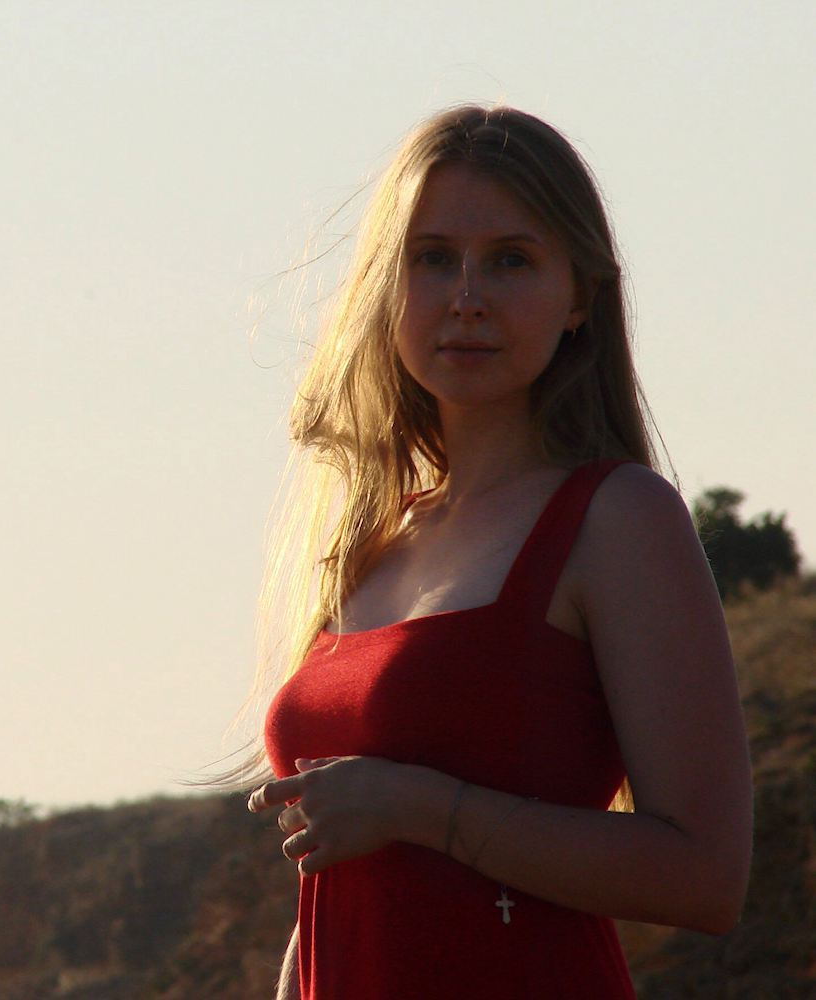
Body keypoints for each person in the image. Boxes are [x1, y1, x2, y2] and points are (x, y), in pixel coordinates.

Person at [244, 105, 753, 1000]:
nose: (466, 296)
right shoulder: (372, 540)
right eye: (432, 258)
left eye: (511, 260)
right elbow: (335, 899)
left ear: (579, 297)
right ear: (385, 286)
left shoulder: (616, 518)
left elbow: (703, 876)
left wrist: (421, 809)